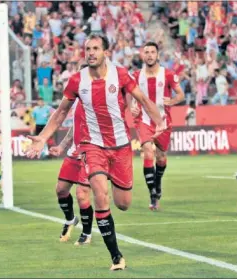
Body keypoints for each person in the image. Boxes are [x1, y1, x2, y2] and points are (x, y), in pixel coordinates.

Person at [26, 33, 165, 271]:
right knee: (99, 194)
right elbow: (61, 113)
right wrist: (43, 138)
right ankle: (116, 256)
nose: (90, 52)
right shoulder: (76, 80)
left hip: (120, 146)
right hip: (92, 146)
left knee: (123, 204)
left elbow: (141, 98)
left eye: (95, 48)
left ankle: (112, 205)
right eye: (87, 48)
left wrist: (158, 121)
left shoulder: (120, 74)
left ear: (105, 52)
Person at [131, 41, 185, 211]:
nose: (149, 55)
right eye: (146, 52)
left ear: (157, 55)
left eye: (152, 52)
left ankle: (158, 182)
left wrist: (173, 100)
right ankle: (153, 194)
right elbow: (131, 94)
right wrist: (133, 104)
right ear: (143, 55)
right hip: (144, 119)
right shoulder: (136, 75)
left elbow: (181, 94)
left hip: (163, 121)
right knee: (147, 150)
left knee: (161, 157)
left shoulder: (168, 74)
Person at [49, 98, 93, 246]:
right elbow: (75, 126)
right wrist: (62, 145)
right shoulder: (78, 99)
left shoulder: (101, 98)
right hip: (74, 153)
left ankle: (86, 233)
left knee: (82, 194)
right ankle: (70, 219)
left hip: (92, 153)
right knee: (60, 190)